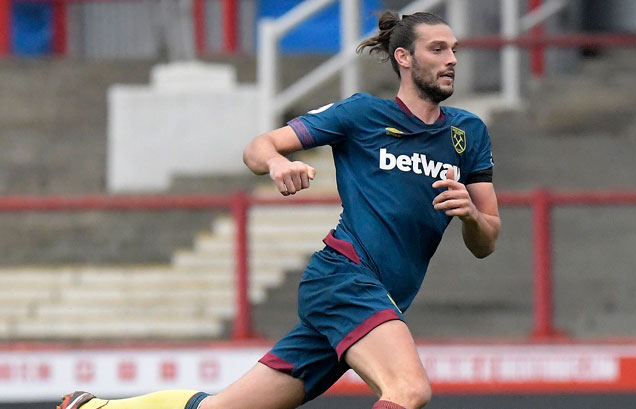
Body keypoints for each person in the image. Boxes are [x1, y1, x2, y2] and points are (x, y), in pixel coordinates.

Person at [58, 10, 500, 409]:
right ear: (403, 57)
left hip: (378, 300)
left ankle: (95, 408)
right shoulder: (362, 113)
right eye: (438, 49)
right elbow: (258, 146)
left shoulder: (469, 133)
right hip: (345, 279)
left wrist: (471, 216)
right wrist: (276, 162)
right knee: (408, 390)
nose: (452, 60)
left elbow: (487, 241)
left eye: (454, 50)